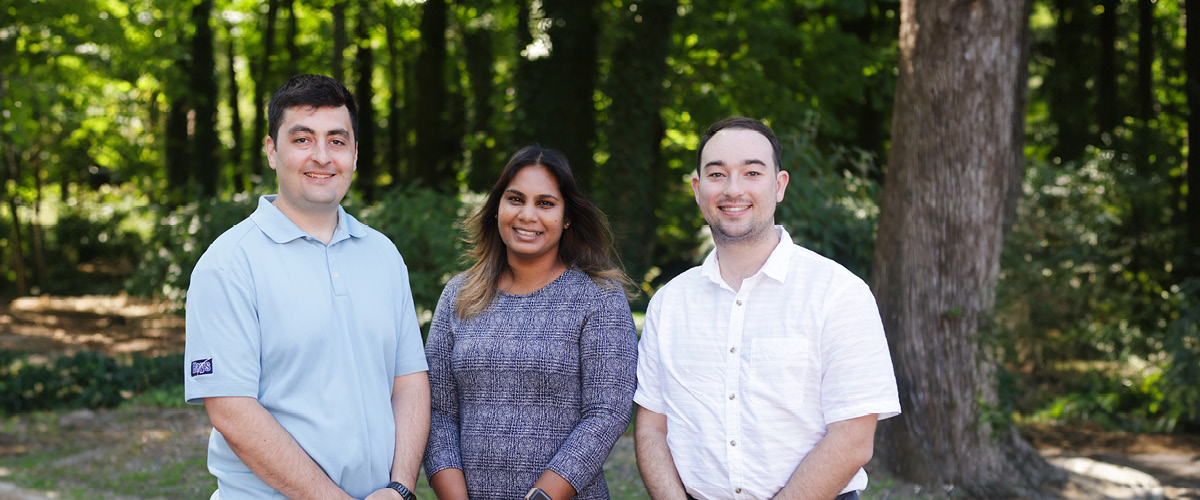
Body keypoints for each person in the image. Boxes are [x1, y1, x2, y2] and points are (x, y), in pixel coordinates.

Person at [184, 74, 430, 500]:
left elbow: (408, 382)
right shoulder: (227, 265)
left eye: (337, 140)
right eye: (302, 139)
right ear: (271, 151)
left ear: (355, 154)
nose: (322, 156)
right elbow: (231, 409)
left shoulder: (383, 255)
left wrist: (401, 488)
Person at [634, 116, 901, 500]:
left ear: (779, 186)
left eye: (752, 173)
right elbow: (651, 429)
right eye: (716, 174)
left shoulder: (839, 293)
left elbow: (854, 438)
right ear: (697, 188)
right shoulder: (669, 303)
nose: (733, 188)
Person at [423, 145, 638, 500]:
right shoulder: (459, 294)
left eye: (545, 203)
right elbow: (437, 410)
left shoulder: (598, 297)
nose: (527, 215)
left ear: (567, 216)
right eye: (515, 199)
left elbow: (606, 413)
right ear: (497, 209)